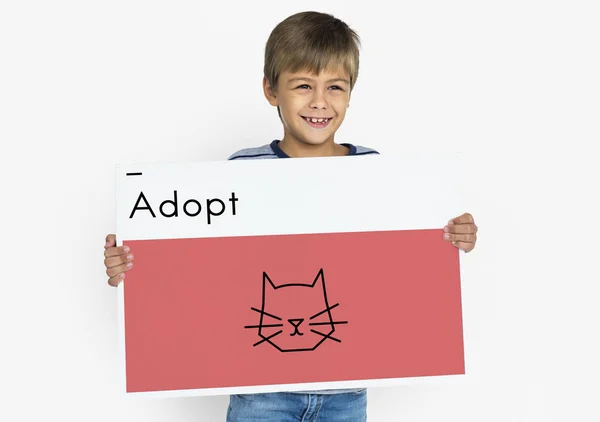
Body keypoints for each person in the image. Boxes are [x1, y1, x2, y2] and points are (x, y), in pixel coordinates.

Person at [103, 10, 478, 422]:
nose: (320, 101)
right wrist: (138, 269)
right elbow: (209, 275)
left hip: (347, 394)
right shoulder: (239, 171)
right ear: (271, 90)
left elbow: (399, 271)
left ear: (351, 93)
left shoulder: (375, 171)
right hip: (261, 396)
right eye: (303, 86)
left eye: (335, 87)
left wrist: (451, 239)